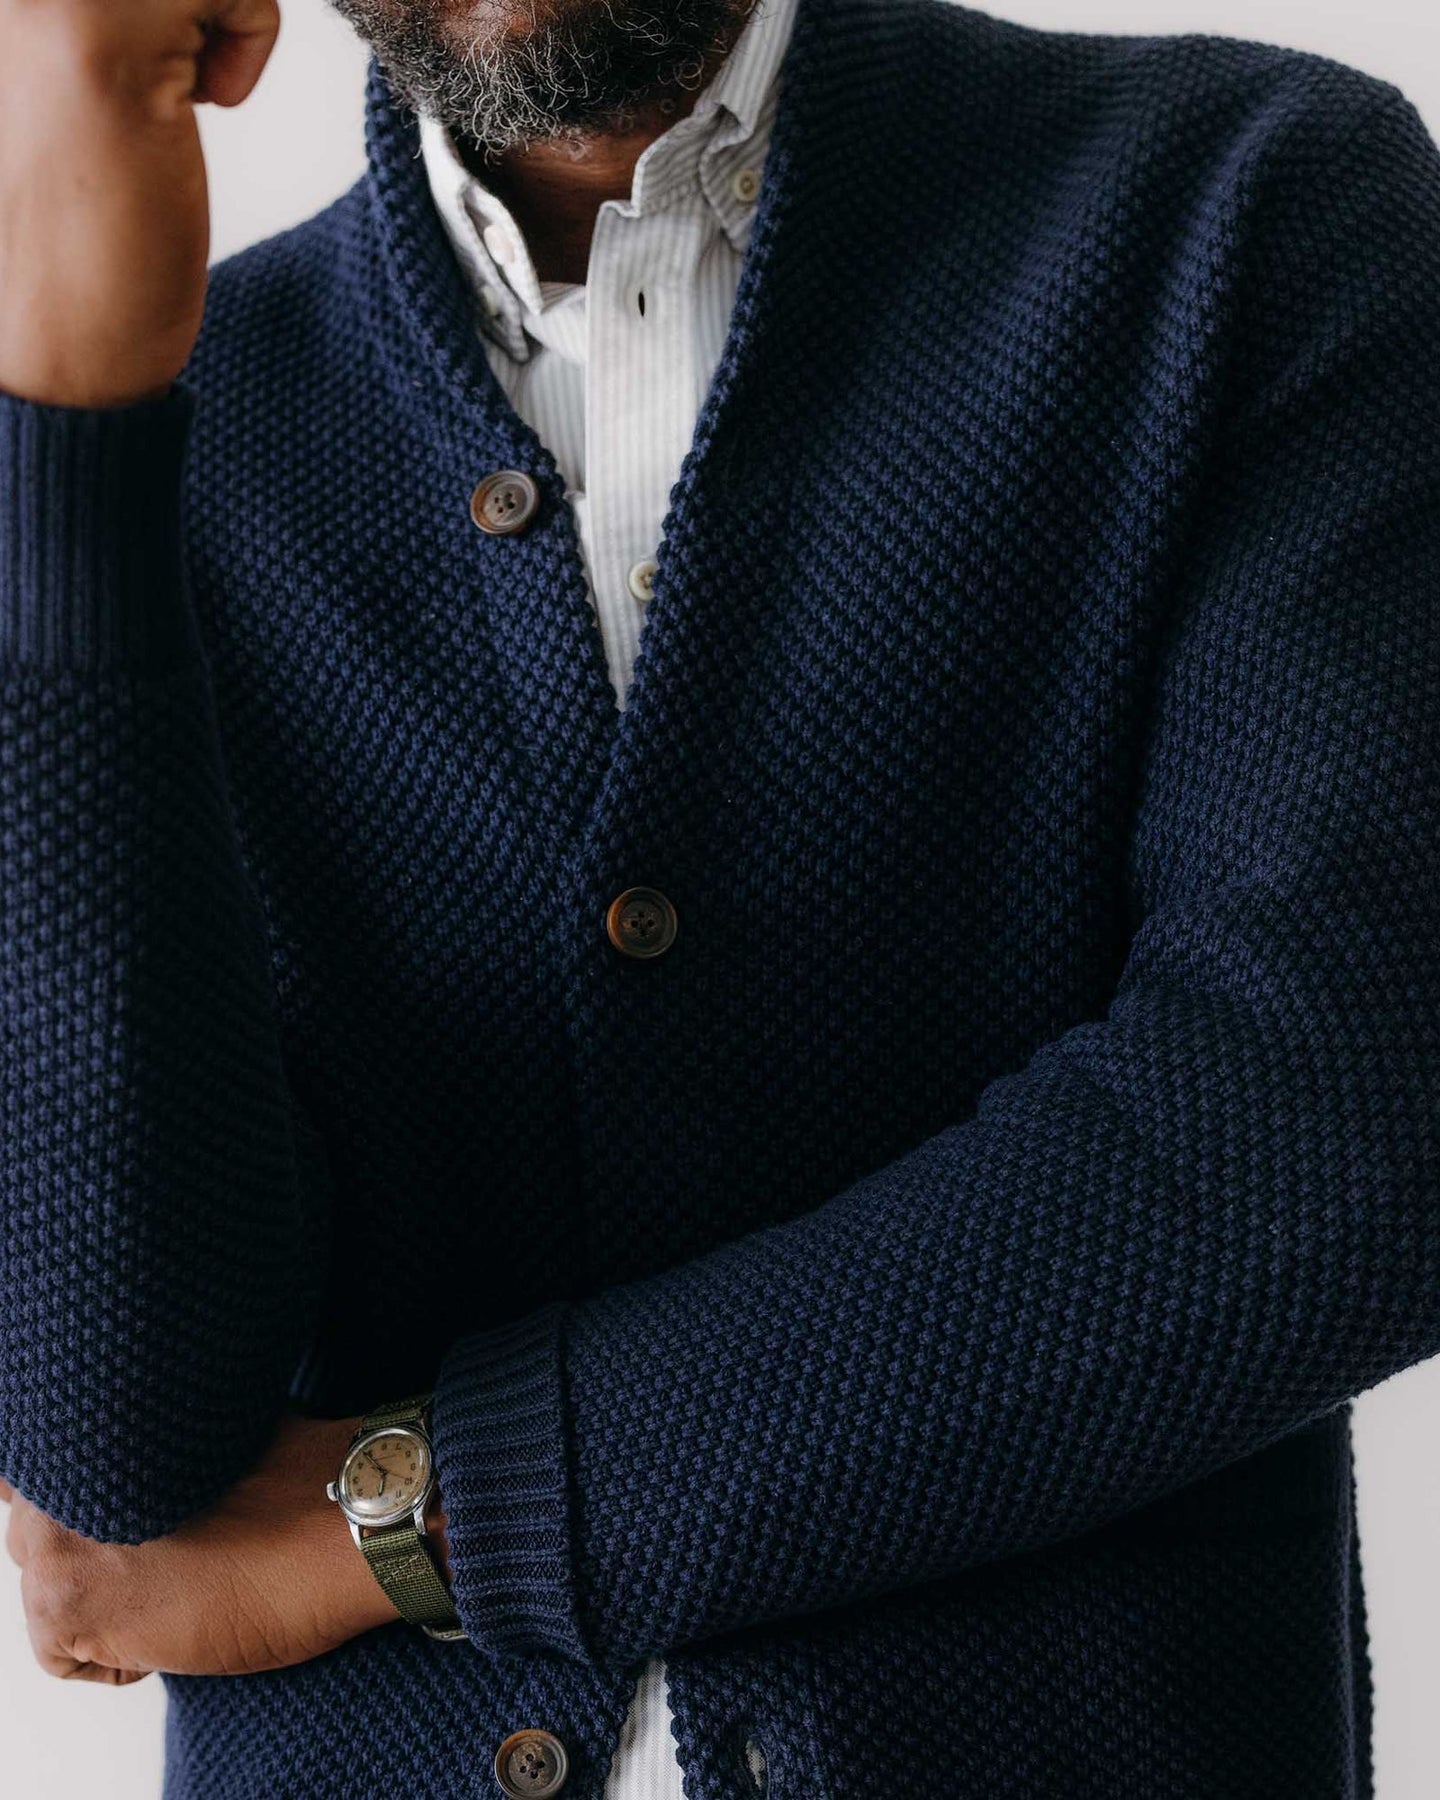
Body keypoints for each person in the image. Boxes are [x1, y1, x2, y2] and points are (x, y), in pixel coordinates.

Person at [1, 0, 1438, 1794]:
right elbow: (118, 1454)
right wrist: (68, 434)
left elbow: (1344, 1131)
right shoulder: (166, 424)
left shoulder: (1239, 211)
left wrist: (425, 1516)